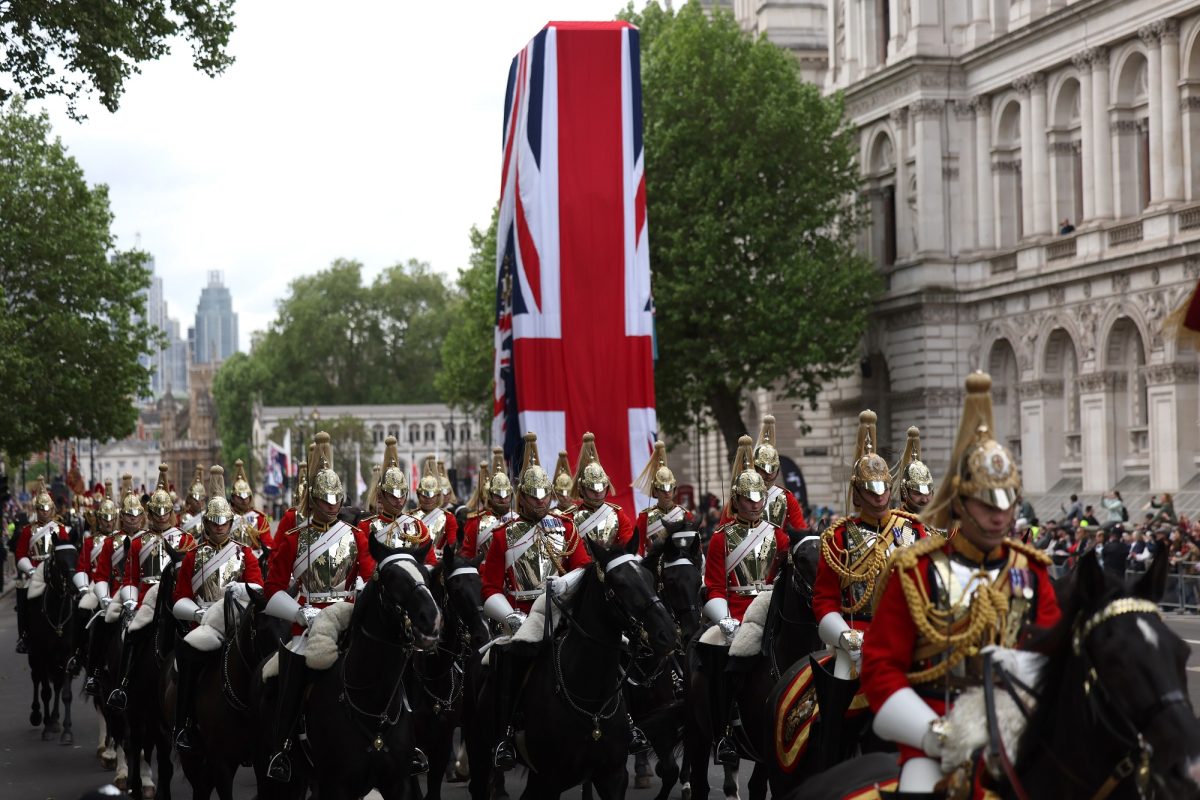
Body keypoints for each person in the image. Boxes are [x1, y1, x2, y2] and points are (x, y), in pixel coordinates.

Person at [862, 372, 1061, 794]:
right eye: (987, 503)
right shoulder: (916, 571)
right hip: (937, 739)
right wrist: (934, 734)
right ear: (960, 501)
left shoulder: (1032, 571)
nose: (999, 515)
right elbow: (881, 669)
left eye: (1007, 501)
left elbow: (1056, 659)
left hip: (1021, 739)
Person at [262, 432, 378, 782]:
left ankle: (401, 738)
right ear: (312, 500)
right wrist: (299, 613)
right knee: (286, 677)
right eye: (324, 499)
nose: (331, 505)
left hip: (346, 620)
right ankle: (281, 748)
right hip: (307, 624)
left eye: (335, 499)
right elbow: (272, 590)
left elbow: (370, 576)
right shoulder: (295, 538)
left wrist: (359, 592)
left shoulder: (355, 536)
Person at [482, 432, 592, 770]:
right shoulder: (503, 535)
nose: (541, 501)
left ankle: (625, 722)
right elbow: (488, 586)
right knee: (505, 662)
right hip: (523, 616)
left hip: (565, 613)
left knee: (608, 650)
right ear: (522, 497)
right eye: (534, 496)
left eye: (545, 495)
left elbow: (586, 569)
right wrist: (508, 616)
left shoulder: (567, 528)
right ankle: (505, 735)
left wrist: (565, 583)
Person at [814, 410, 929, 683]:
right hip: (858, 636)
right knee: (839, 695)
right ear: (857, 493)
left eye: (884, 490)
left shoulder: (912, 528)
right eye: (871, 492)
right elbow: (824, 600)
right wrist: (844, 636)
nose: (879, 499)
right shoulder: (838, 537)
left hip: (909, 631)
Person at [704, 435, 789, 766]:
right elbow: (713, 586)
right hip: (736, 614)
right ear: (736, 501)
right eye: (748, 499)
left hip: (771, 610)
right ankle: (724, 730)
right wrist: (723, 616)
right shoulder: (719, 540)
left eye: (759, 499)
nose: (754, 504)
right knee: (720, 661)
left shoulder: (778, 536)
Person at [170, 466, 264, 751]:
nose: (220, 526)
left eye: (224, 521)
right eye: (215, 522)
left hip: (237, 620)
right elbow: (180, 598)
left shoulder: (245, 554)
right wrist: (199, 614)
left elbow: (259, 588)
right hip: (207, 624)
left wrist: (244, 593)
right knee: (186, 654)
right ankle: (184, 722)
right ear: (206, 524)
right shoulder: (192, 558)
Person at [108, 465, 197, 711]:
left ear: (171, 512)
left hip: (178, 597)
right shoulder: (137, 542)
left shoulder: (186, 540)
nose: (160, 516)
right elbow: (130, 577)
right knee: (132, 632)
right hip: (147, 599)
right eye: (156, 512)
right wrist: (131, 601)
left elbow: (192, 577)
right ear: (150, 512)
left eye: (164, 511)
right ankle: (123, 685)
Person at [86, 475, 141, 696]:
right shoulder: (111, 542)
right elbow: (101, 575)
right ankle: (95, 671)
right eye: (128, 515)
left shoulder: (150, 540)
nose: (132, 520)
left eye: (136, 515)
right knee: (102, 622)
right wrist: (104, 597)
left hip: (146, 593)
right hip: (119, 593)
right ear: (122, 516)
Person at [13, 479, 72, 653]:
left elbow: (66, 551)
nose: (45, 513)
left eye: (47, 509)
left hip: (56, 570)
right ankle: (24, 635)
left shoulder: (60, 529)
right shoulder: (27, 531)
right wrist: (30, 570)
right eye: (41, 509)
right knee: (23, 593)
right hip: (36, 573)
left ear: (52, 509)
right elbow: (20, 554)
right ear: (36, 509)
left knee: (71, 595)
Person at [567, 433, 635, 548]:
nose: (598, 493)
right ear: (582, 489)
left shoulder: (618, 514)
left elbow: (629, 546)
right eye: (592, 489)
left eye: (602, 488)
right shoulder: (570, 518)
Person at [633, 440, 695, 556]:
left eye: (670, 488)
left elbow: (693, 545)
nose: (667, 493)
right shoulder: (644, 517)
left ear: (674, 490)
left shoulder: (685, 515)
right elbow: (638, 547)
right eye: (663, 489)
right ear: (655, 491)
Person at [460, 448, 516, 560]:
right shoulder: (475, 522)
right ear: (490, 496)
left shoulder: (518, 519)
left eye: (506, 495)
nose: (503, 499)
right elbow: (468, 556)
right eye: (498, 495)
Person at [229, 458, 274, 567]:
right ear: (233, 498)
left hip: (255, 561)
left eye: (247, 497)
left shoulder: (259, 517)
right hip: (231, 561)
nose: (244, 500)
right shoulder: (226, 518)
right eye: (240, 497)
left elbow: (268, 543)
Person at [411, 453, 456, 561]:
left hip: (439, 563)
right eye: (424, 496)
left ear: (437, 496)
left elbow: (451, 544)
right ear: (418, 495)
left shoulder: (448, 517)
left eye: (432, 496)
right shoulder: (410, 517)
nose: (428, 499)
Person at [892, 426, 936, 519]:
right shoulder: (894, 522)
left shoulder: (941, 522)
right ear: (905, 492)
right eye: (918, 493)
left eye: (928, 493)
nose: (924, 500)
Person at [178, 466, 207, 537]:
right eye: (196, 499)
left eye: (202, 499)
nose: (199, 502)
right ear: (190, 499)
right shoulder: (180, 517)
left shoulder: (206, 516)